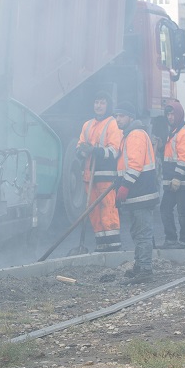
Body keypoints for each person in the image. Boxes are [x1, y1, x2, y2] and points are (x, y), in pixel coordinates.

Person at [112, 102, 159, 284]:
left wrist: (124, 186)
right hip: (136, 194)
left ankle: (145, 269)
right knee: (138, 233)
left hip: (141, 194)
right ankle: (140, 265)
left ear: (130, 117)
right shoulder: (129, 135)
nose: (118, 119)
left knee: (142, 234)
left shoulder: (135, 135)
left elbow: (135, 165)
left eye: (121, 116)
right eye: (116, 116)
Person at [75, 92, 123, 252]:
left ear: (107, 105)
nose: (99, 106)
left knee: (108, 210)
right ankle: (102, 245)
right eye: (96, 102)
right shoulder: (87, 125)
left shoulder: (113, 124)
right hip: (89, 176)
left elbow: (114, 151)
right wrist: (82, 151)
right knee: (94, 213)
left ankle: (113, 246)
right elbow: (79, 147)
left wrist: (94, 150)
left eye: (102, 103)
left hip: (106, 176)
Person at [159, 100, 185, 249]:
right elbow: (171, 156)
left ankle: (184, 241)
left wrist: (177, 178)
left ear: (179, 114)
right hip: (173, 179)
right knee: (166, 209)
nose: (170, 117)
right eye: (168, 114)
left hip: (181, 180)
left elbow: (184, 158)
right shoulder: (174, 132)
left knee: (182, 211)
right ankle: (172, 239)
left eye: (172, 114)